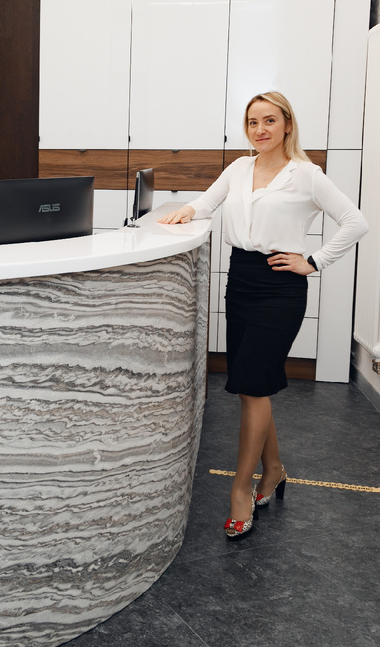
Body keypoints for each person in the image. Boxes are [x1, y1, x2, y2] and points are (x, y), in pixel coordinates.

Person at [158, 91, 368, 539]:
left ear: (287, 124)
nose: (260, 130)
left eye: (269, 121)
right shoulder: (239, 168)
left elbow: (355, 222)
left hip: (280, 287)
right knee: (251, 386)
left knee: (253, 386)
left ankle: (241, 489)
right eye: (253, 122)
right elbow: (206, 204)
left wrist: (313, 261)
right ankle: (273, 469)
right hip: (241, 279)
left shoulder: (306, 175)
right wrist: (185, 212)